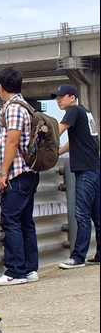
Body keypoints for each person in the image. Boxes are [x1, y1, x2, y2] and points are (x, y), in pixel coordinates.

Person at [0, 66, 40, 286]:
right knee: (25, 222)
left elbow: (12, 142)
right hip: (29, 174)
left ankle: (15, 271)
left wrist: (3, 173)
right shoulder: (26, 107)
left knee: (10, 221)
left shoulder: (13, 109)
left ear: (1, 87)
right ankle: (29, 269)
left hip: (17, 174)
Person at [53, 83, 100, 269]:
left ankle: (78, 257)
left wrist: (42, 140)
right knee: (97, 215)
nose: (58, 100)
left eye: (61, 96)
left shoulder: (73, 111)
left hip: (86, 171)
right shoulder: (84, 112)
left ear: (72, 97)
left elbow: (57, 132)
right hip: (95, 167)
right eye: (57, 97)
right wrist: (57, 153)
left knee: (82, 214)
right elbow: (75, 141)